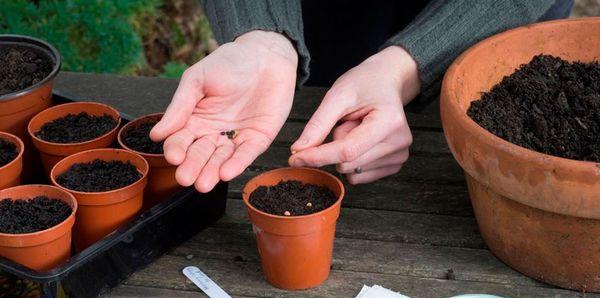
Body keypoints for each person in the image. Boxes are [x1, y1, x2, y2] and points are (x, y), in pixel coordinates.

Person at [149, 0, 574, 193]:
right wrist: (263, 35)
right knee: (339, 121)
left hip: (485, 15)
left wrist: (402, 69)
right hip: (325, 11)